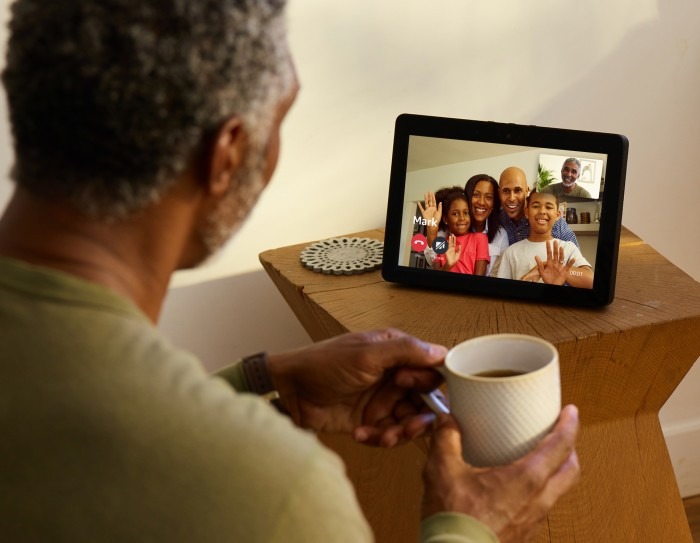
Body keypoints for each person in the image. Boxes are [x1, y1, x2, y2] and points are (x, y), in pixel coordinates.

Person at [0, 1, 580, 542]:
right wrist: (471, 529)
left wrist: (257, 385)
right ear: (226, 154)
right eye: (281, 117)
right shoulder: (278, 495)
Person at [494, 191, 594, 287]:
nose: (542, 211)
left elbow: (590, 280)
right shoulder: (511, 252)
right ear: (527, 212)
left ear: (558, 215)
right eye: (536, 206)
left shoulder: (567, 248)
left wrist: (563, 271)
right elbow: (500, 290)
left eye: (549, 207)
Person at [498, 166, 580, 246]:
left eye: (517, 190)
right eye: (506, 191)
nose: (512, 198)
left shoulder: (553, 222)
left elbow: (575, 254)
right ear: (499, 193)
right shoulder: (498, 218)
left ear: (527, 191)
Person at [423, 187, 489, 275]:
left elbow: (479, 280)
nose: (462, 218)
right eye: (455, 214)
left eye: (466, 213)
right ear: (445, 219)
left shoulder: (480, 238)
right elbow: (436, 278)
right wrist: (447, 266)